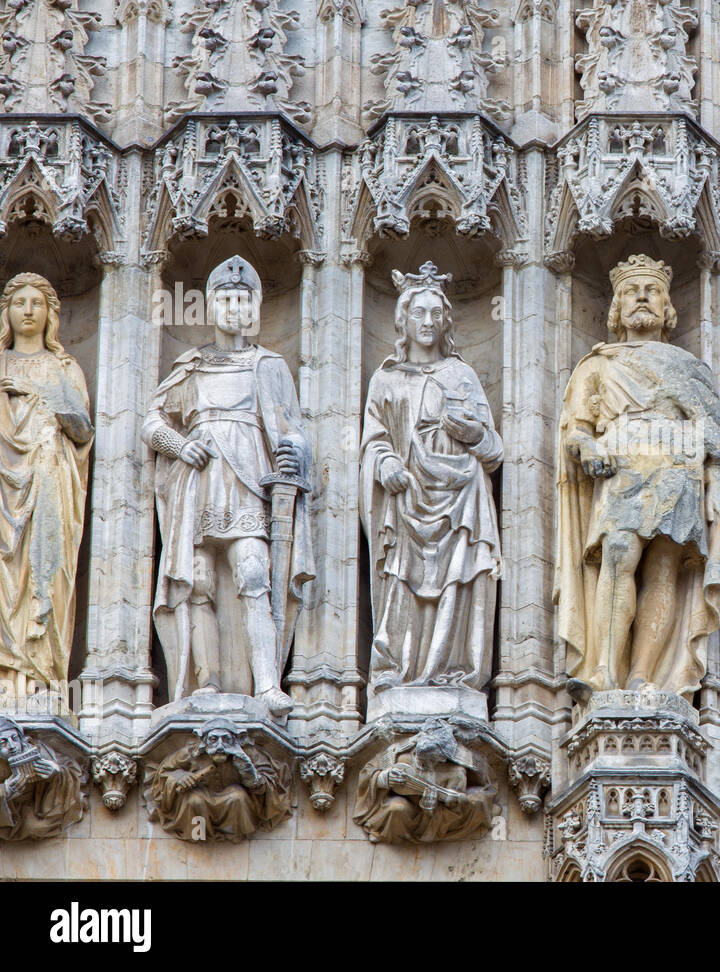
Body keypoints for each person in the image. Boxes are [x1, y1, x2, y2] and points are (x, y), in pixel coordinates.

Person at [555, 254, 720, 701]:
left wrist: (716, 484)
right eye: (631, 291)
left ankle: (642, 676)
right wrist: (589, 447)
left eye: (651, 291)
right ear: (616, 307)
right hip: (623, 471)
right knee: (618, 555)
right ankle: (603, 672)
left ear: (667, 307)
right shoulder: (597, 366)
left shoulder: (689, 367)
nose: (641, 298)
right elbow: (576, 430)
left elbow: (710, 433)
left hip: (678, 472)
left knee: (665, 569)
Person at [144, 256, 314, 717]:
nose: (234, 308)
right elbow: (152, 421)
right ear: (211, 307)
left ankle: (266, 685)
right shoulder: (192, 366)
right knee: (198, 581)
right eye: (225, 299)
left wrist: (295, 451)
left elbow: (292, 429)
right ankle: (208, 683)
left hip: (247, 482)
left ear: (254, 309)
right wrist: (179, 446)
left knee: (254, 573)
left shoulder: (268, 365)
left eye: (243, 300)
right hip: (197, 486)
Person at [361, 263, 501, 694]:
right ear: (403, 319)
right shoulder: (385, 379)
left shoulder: (462, 376)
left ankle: (454, 671)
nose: (427, 323)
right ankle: (400, 672)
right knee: (402, 581)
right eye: (418, 314)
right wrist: (385, 464)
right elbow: (373, 440)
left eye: (435, 316)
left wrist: (474, 434)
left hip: (462, 501)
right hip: (407, 500)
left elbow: (494, 452)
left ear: (445, 323)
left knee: (460, 581)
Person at [0, 273, 92, 702]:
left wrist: (37, 392)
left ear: (51, 313)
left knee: (45, 570)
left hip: (48, 479)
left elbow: (81, 429)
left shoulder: (64, 367)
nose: (29, 310)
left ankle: (39, 678)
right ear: (8, 312)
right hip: (4, 486)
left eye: (37, 302)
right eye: (20, 302)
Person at [143, 718, 293, 842]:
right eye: (214, 739)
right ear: (205, 740)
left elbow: (269, 782)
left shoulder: (247, 754)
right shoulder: (191, 753)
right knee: (194, 799)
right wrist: (181, 777)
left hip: (235, 802)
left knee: (237, 796)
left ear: (235, 740)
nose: (220, 746)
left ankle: (236, 833)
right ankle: (198, 835)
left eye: (226, 739)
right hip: (199, 799)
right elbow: (163, 772)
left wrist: (249, 771)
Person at [353, 717, 496, 842]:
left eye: (429, 760)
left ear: (442, 759)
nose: (421, 763)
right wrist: (383, 778)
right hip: (407, 809)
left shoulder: (457, 772)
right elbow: (369, 770)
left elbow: (458, 806)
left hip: (438, 813)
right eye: (418, 757)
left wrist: (429, 809)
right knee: (396, 808)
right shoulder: (400, 753)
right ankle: (383, 830)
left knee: (476, 800)